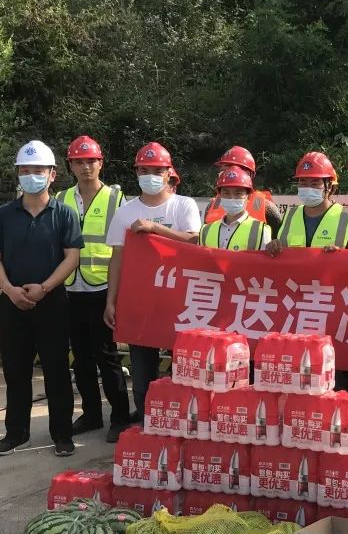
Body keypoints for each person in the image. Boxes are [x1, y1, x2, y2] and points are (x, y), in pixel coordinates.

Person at [0, 140, 83, 457]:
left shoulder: (64, 214)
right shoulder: (3, 215)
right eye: (25, 171)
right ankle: (16, 433)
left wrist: (45, 287)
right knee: (15, 372)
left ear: (52, 175)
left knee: (56, 372)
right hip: (12, 304)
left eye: (38, 170)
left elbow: (71, 258)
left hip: (52, 304)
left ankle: (62, 435)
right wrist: (11, 290)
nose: (31, 176)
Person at [104, 142, 203, 421]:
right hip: (140, 303)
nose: (150, 175)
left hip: (180, 301)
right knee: (142, 369)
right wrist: (111, 300)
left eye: (156, 170)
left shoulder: (183, 205)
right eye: (144, 170)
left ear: (169, 172)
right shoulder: (125, 211)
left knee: (184, 366)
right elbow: (117, 258)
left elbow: (192, 239)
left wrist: (153, 228)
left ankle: (182, 419)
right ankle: (147, 421)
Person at [266, 151, 348, 391]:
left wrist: (344, 257)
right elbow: (280, 256)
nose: (308, 187)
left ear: (329, 187)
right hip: (296, 308)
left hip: (334, 309)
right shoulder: (289, 217)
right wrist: (274, 247)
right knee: (299, 371)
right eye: (303, 182)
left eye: (314, 182)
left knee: (334, 376)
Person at [57, 136, 131, 443]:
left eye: (91, 161)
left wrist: (115, 297)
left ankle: (120, 416)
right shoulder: (60, 198)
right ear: (70, 165)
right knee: (81, 357)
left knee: (107, 356)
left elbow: (124, 249)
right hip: (70, 288)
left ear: (101, 163)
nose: (85, 167)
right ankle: (90, 414)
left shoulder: (115, 198)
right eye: (78, 161)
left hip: (103, 289)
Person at [204, 145, 283, 235]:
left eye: (230, 170)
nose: (226, 175)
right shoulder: (211, 206)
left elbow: (276, 241)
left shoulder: (267, 208)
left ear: (248, 174)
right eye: (222, 170)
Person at [199, 167, 272, 251]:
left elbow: (263, 263)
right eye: (226, 193)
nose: (232, 198)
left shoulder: (261, 230)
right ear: (220, 195)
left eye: (238, 193)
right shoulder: (205, 231)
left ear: (248, 196)